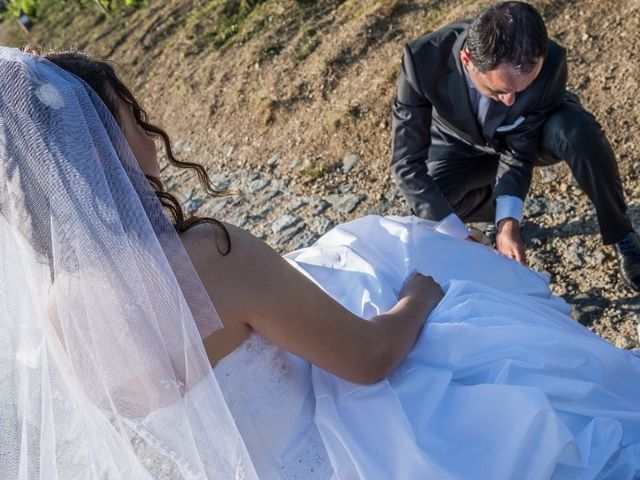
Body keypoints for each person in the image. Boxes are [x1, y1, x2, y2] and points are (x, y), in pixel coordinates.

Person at [3, 46, 640, 479]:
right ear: (105, 147)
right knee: (466, 322)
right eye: (131, 117)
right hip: (343, 453)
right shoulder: (209, 256)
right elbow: (368, 360)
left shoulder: (58, 313)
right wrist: (419, 295)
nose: (150, 134)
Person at [390, 1, 640, 292]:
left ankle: (622, 233)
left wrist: (509, 222)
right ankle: (493, 214)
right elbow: (406, 164)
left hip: (535, 138)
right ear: (468, 59)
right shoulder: (422, 60)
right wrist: (459, 232)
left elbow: (519, 149)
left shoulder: (551, 61)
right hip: (459, 145)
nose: (510, 100)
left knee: (578, 131)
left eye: (520, 90)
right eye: (499, 90)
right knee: (428, 200)